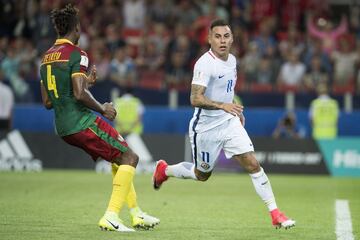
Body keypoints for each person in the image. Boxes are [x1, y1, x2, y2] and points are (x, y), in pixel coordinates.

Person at [152, 19, 295, 229]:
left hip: (228, 123)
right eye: (217, 36)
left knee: (252, 164)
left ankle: (275, 213)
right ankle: (164, 170)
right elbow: (195, 98)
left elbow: (226, 89)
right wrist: (223, 106)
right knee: (202, 175)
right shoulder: (205, 64)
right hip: (206, 128)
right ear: (210, 39)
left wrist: (233, 106)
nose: (222, 41)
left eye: (226, 36)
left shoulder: (233, 61)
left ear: (232, 39)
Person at [39, 4, 159, 232]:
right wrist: (102, 108)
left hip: (64, 127)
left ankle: (136, 214)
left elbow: (47, 102)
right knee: (130, 158)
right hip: (82, 122)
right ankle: (111, 216)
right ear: (76, 28)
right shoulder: (77, 54)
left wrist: (86, 84)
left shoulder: (46, 58)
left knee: (120, 158)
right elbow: (78, 93)